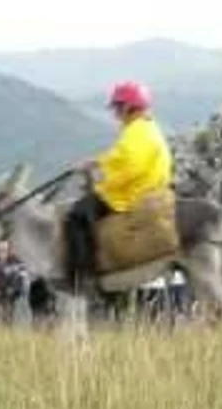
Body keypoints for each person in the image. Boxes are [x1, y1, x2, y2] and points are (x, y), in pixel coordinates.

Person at [64, 80, 173, 291]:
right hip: (146, 189)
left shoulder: (136, 133)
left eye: (117, 107)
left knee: (76, 216)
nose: (115, 112)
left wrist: (101, 184)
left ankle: (82, 275)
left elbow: (128, 169)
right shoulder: (144, 128)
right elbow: (119, 156)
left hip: (133, 194)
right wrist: (95, 162)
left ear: (129, 106)